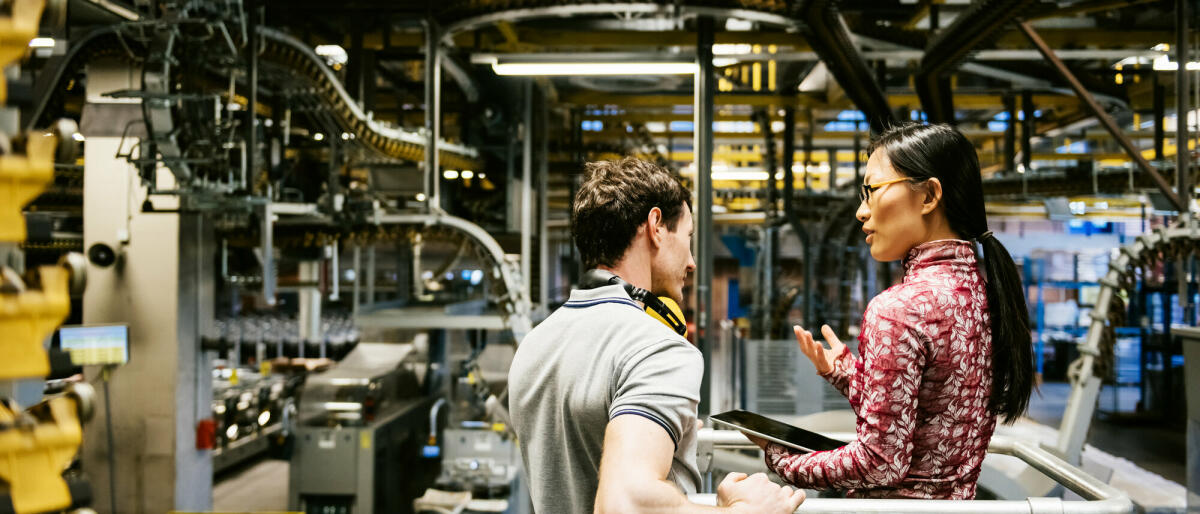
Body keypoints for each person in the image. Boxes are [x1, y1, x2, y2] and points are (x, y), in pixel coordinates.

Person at [751, 123, 1034, 499]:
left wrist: (780, 459)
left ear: (929, 195)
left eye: (872, 191)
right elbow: (926, 416)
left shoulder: (898, 309)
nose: (860, 212)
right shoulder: (983, 296)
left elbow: (879, 461)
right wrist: (843, 372)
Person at [509, 157, 806, 513]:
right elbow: (626, 503)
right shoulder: (657, 348)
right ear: (656, 227)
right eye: (688, 236)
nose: (692, 261)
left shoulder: (534, 345)